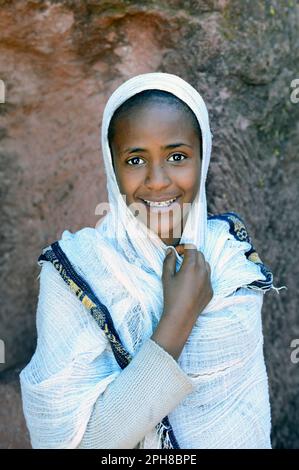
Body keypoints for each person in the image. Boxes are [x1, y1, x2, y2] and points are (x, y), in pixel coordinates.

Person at [20, 72, 286, 449]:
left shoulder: (228, 260)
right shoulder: (77, 272)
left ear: (203, 156)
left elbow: (240, 427)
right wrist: (176, 321)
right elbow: (86, 444)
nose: (158, 180)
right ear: (112, 167)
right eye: (135, 160)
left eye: (177, 156)